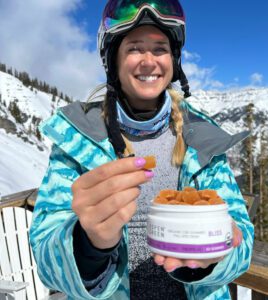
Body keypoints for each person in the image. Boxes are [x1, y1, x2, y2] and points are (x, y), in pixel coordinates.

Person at [29, 0, 254, 299]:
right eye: (135, 47)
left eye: (160, 48)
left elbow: (243, 241)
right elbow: (46, 257)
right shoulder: (79, 139)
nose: (149, 60)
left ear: (173, 60)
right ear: (114, 59)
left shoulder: (201, 139)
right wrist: (89, 246)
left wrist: (210, 259)